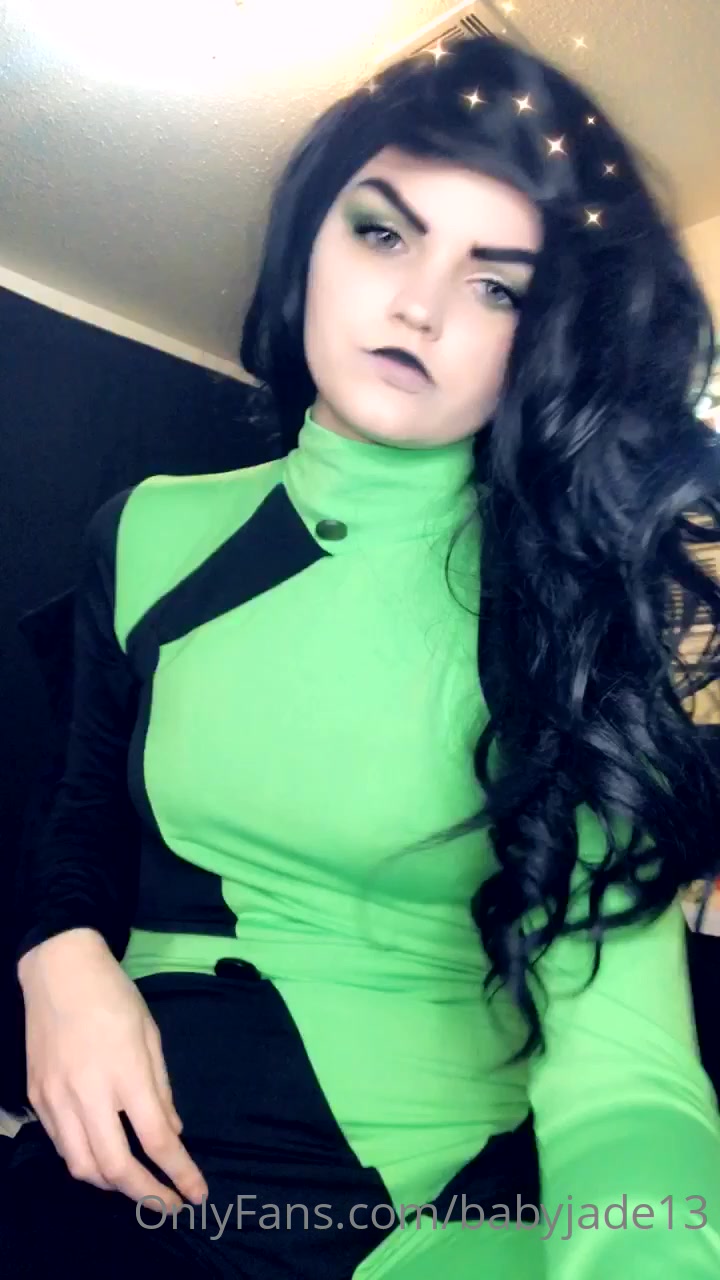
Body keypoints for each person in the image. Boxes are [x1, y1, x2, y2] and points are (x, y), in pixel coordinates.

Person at [4, 30, 720, 1280]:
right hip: (106, 1157)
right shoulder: (150, 528)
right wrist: (55, 954)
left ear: (539, 339)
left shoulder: (568, 607)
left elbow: (629, 1077)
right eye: (384, 233)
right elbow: (84, 814)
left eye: (497, 286)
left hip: (421, 1215)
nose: (420, 305)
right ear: (307, 243)